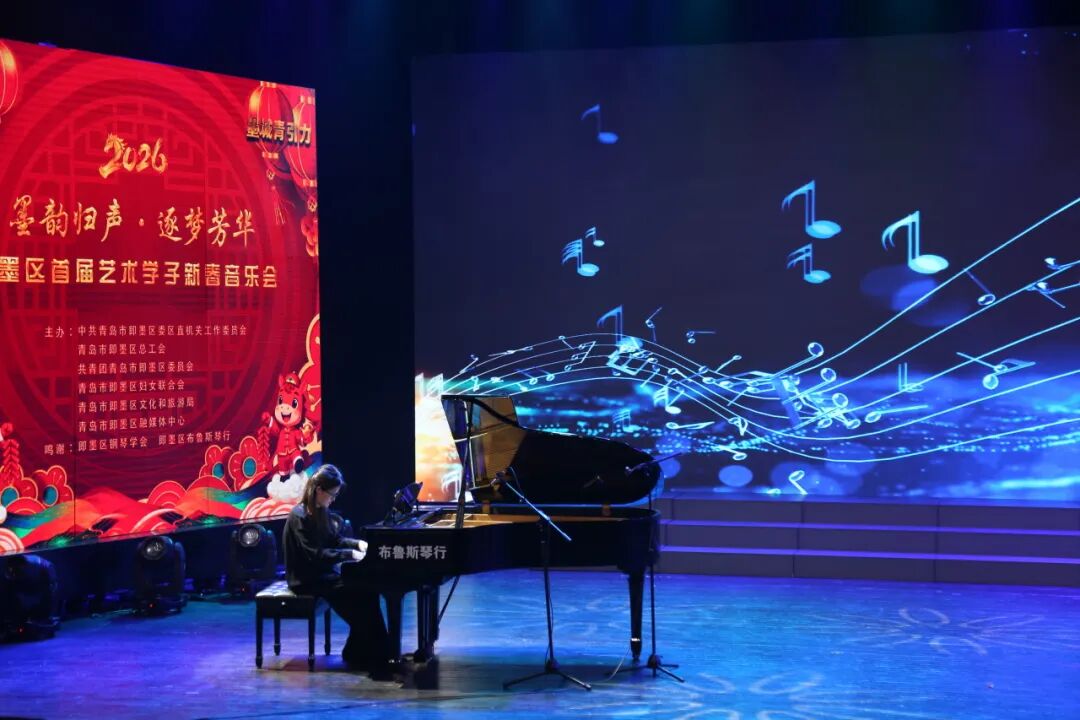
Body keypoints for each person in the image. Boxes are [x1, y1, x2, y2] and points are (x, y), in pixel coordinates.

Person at [283, 464, 390, 673]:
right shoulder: (300, 516)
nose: (333, 499)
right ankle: (373, 654)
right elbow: (315, 555)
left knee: (369, 591)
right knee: (359, 596)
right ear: (319, 490)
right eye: (332, 494)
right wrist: (349, 555)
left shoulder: (320, 510)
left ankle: (361, 651)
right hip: (306, 580)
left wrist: (357, 544)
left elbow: (335, 539)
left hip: (322, 574)